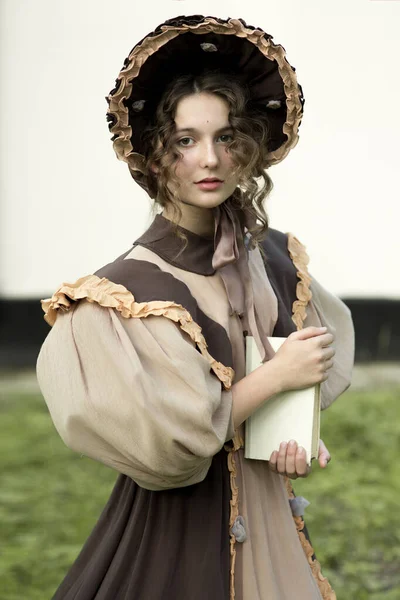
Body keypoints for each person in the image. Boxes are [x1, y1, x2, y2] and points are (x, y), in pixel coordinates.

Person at [37, 15, 355, 600]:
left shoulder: (273, 257)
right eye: (185, 141)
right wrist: (278, 379)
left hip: (269, 515)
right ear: (156, 156)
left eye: (226, 137)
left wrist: (297, 425)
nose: (209, 159)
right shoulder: (122, 295)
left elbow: (283, 360)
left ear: (249, 150)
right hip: (180, 529)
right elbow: (174, 448)